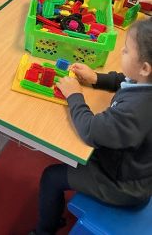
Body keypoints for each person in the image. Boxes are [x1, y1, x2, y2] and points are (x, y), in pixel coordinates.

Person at [30, 18, 152, 235]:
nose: (121, 52)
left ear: (144, 68)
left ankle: (44, 231)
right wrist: (97, 78)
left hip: (122, 184)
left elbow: (90, 131)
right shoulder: (145, 82)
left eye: (126, 51)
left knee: (51, 176)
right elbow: (125, 79)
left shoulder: (137, 111)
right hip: (129, 164)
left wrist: (74, 95)